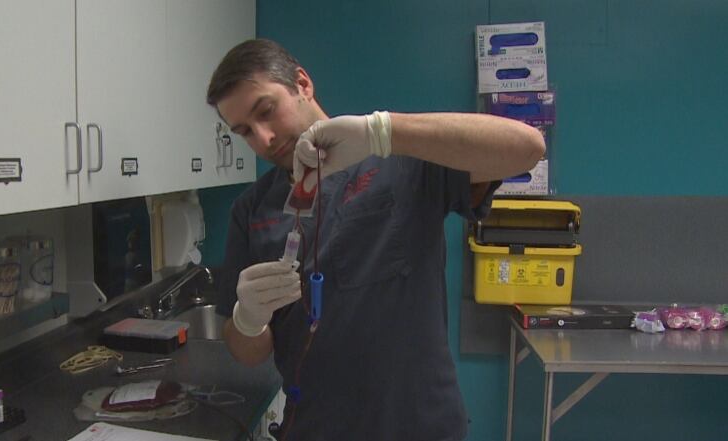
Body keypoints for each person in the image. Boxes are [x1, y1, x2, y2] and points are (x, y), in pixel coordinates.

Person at [207, 39, 544, 441]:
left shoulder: (401, 160)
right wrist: (249, 318)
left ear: (302, 84)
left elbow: (527, 148)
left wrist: (382, 132)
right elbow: (248, 353)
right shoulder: (251, 210)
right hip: (315, 428)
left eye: (266, 111)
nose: (262, 138)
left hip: (418, 426)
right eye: (244, 131)